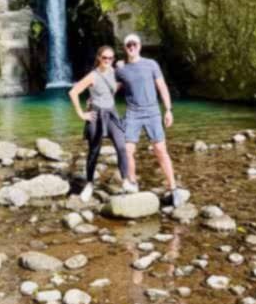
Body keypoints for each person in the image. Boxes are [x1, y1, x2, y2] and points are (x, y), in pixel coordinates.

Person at [115, 33, 177, 197]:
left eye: (134, 44)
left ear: (140, 46)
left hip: (152, 112)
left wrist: (168, 110)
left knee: (160, 149)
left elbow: (162, 87)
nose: (132, 47)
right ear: (125, 48)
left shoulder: (151, 64)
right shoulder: (121, 69)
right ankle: (133, 183)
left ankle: (173, 188)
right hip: (132, 113)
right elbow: (112, 88)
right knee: (127, 149)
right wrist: (95, 99)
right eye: (129, 45)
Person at [68, 45, 128, 203]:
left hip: (112, 114)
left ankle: (126, 182)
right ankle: (89, 184)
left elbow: (119, 85)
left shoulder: (114, 73)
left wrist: (123, 65)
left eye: (110, 58)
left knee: (122, 147)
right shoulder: (92, 76)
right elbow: (73, 92)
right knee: (94, 151)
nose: (107, 60)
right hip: (96, 114)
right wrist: (82, 114)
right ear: (99, 58)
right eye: (105, 58)